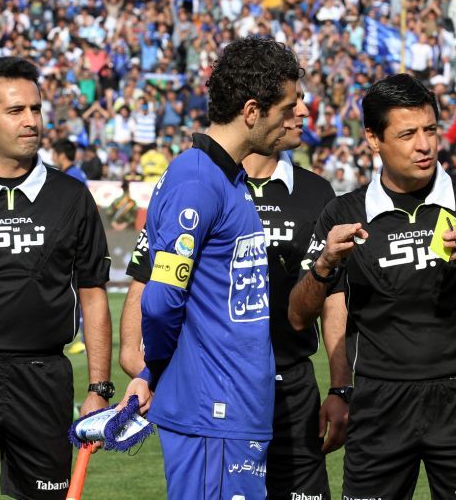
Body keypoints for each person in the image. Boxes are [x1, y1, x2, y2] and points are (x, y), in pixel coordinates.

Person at [288, 73, 456, 498]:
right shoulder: (344, 211)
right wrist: (324, 264)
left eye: (430, 130)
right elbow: (299, 316)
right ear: (373, 139)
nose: (424, 145)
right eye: (408, 134)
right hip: (378, 403)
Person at [120, 83, 350, 500]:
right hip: (215, 407)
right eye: (288, 105)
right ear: (252, 111)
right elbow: (159, 299)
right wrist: (154, 369)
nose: (300, 113)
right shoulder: (197, 180)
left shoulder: (230, 179)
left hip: (246, 402)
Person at [0, 56, 113, 499]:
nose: (31, 121)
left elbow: (93, 295)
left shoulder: (72, 196)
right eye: (16, 110)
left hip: (44, 380)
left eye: (36, 108)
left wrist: (99, 389)